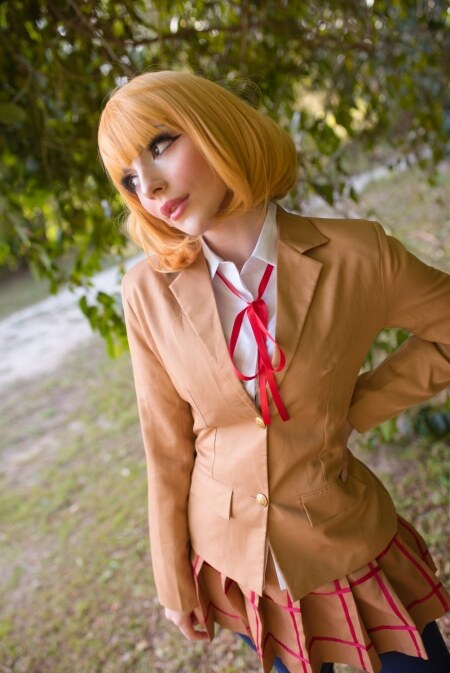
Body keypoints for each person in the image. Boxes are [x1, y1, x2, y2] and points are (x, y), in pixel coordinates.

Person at [97, 70, 450, 673]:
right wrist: (172, 579)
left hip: (345, 540)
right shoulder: (145, 292)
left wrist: (358, 407)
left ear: (218, 128)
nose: (148, 186)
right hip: (232, 565)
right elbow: (166, 445)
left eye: (159, 145)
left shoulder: (359, 255)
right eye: (129, 178)